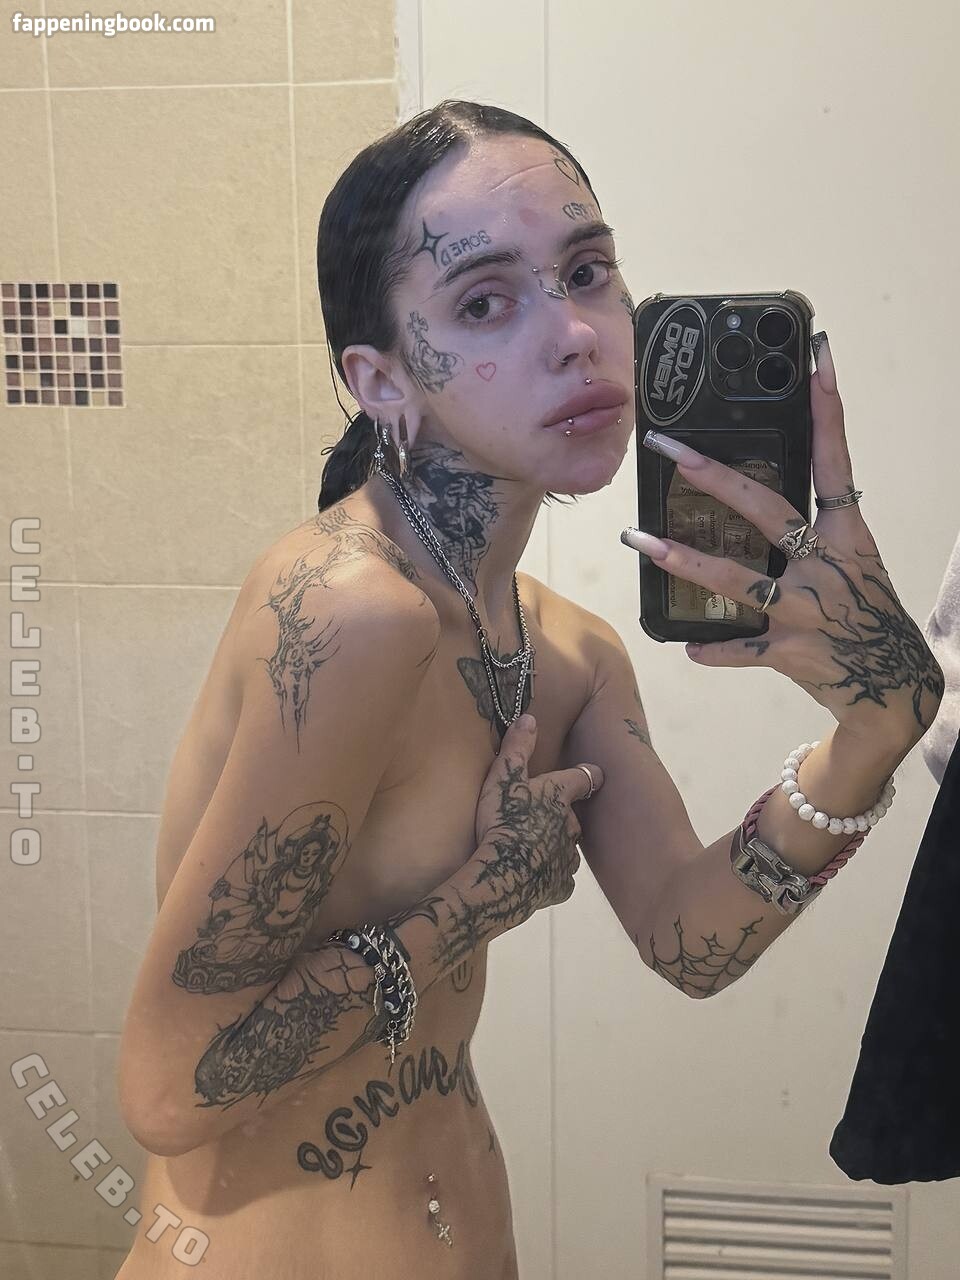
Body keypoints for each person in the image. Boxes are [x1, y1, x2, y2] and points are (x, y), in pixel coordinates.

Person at [115, 99, 944, 1278]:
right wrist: (473, 903)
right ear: (381, 379)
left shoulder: (566, 647)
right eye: (485, 301)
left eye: (589, 272)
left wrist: (874, 731)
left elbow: (688, 938)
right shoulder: (352, 612)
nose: (576, 334)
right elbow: (167, 1085)